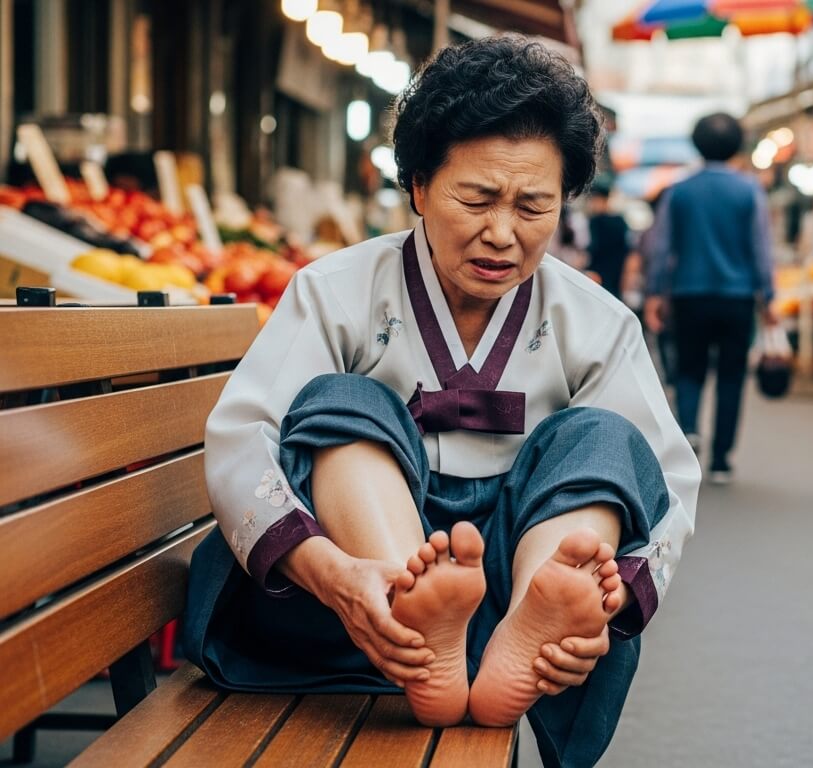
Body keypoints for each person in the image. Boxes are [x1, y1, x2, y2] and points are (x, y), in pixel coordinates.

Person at [181, 37, 700, 768]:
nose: (502, 233)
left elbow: (669, 483)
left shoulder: (597, 322)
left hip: (507, 613)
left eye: (533, 206)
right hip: (350, 611)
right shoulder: (336, 291)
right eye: (477, 198)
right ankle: (412, 616)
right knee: (343, 405)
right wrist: (335, 574)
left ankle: (533, 622)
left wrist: (601, 611)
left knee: (606, 441)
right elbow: (245, 441)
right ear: (419, 186)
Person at [644, 113, 775, 486]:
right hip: (737, 299)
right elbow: (761, 247)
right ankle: (721, 459)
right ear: (737, 145)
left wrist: (655, 292)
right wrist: (769, 296)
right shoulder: (749, 190)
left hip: (689, 294)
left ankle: (688, 434)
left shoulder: (680, 191)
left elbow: (661, 246)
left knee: (690, 371)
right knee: (732, 376)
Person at [586, 185, 631, 299]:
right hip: (616, 272)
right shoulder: (620, 220)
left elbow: (594, 247)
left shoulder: (596, 221)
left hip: (602, 272)